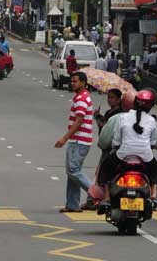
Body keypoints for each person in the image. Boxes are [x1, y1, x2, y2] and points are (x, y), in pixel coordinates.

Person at [98, 90, 157, 210]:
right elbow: (153, 142)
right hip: (145, 157)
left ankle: (106, 197)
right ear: (151, 105)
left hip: (123, 155)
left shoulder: (123, 117)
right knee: (156, 169)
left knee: (105, 166)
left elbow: (116, 141)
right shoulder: (152, 120)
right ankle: (154, 193)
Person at [54, 72, 94, 213]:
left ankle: (96, 194)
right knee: (72, 173)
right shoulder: (81, 97)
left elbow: (79, 120)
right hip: (80, 140)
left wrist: (64, 138)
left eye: (75, 81)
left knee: (73, 171)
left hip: (79, 140)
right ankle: (72, 204)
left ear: (83, 82)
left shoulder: (82, 98)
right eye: (71, 81)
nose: (72, 84)